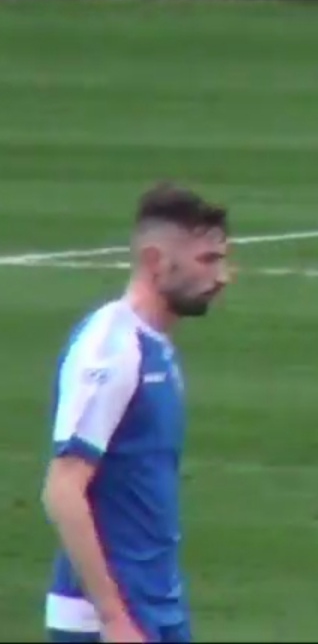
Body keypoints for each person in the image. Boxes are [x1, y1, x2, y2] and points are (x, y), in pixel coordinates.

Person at [43, 183, 233, 644]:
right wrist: (113, 619)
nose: (224, 276)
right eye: (207, 260)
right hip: (105, 617)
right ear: (155, 261)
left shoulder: (155, 346)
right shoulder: (112, 349)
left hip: (156, 601)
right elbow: (63, 489)